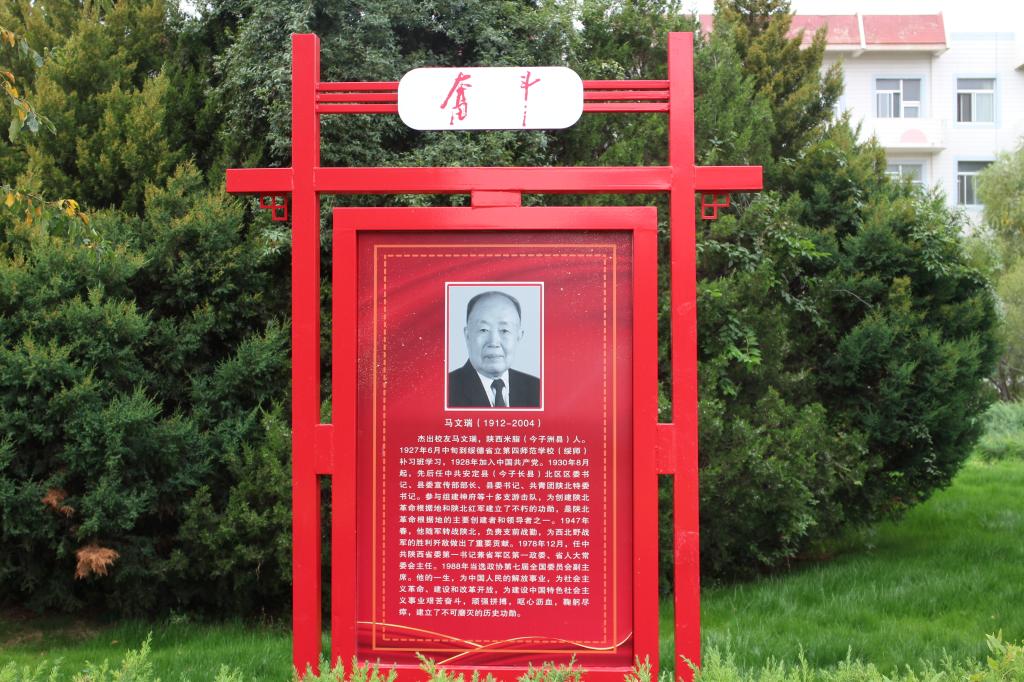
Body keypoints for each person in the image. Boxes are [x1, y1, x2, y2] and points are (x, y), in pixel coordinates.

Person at [448, 290, 540, 408]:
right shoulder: (445, 389)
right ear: (467, 335)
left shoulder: (537, 389)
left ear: (519, 336)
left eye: (504, 330)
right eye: (483, 330)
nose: (493, 342)